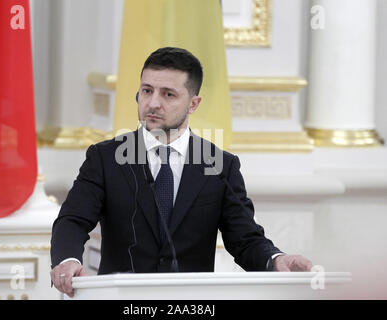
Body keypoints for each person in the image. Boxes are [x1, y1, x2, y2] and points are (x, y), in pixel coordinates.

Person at [50, 47, 313, 297]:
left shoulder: (220, 165)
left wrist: (276, 259)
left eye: (168, 94)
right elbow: (73, 220)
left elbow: (245, 239)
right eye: (147, 90)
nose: (153, 103)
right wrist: (67, 259)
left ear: (193, 104)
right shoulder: (105, 157)